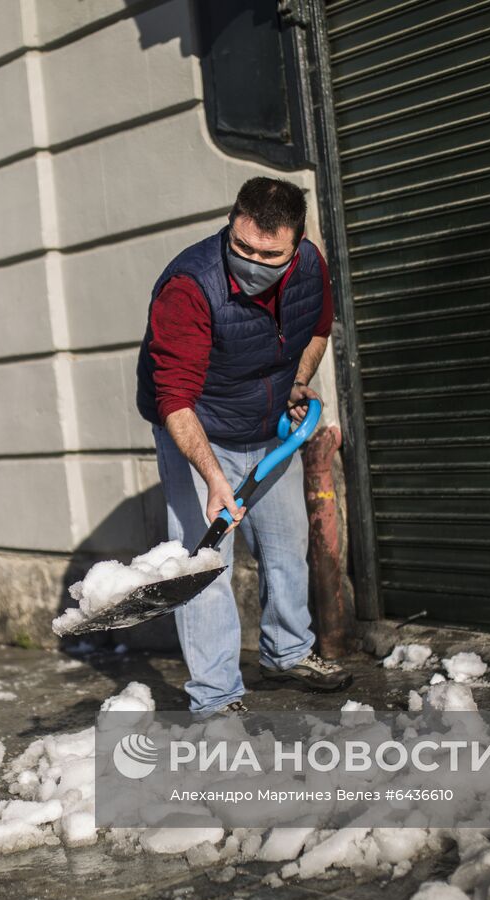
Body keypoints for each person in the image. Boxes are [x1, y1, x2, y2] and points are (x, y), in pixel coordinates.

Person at [135, 176, 353, 716]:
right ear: (231, 224)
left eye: (269, 254)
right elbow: (175, 400)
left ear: (296, 244)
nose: (253, 261)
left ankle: (286, 652)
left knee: (285, 550)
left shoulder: (309, 266)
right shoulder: (190, 286)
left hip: (266, 429)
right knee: (205, 566)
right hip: (198, 432)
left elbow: (318, 328)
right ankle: (215, 697)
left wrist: (298, 384)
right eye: (242, 247)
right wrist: (213, 479)